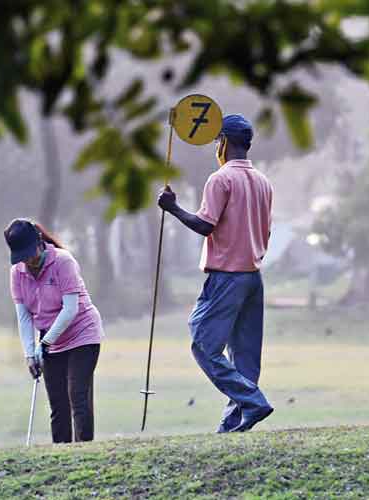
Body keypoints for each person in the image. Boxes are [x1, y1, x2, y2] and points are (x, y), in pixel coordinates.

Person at [157, 114, 274, 433]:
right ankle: (233, 421)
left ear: (225, 142)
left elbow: (205, 224)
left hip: (227, 276)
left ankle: (252, 401)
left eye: (217, 141)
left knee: (202, 342)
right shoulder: (263, 181)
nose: (216, 148)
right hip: (253, 275)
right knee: (245, 355)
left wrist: (173, 208)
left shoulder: (220, 179)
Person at [5, 218, 104, 443]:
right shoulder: (17, 273)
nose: (27, 261)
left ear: (39, 243)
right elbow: (24, 316)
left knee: (77, 396)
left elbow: (70, 310)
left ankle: (84, 453)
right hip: (50, 339)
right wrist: (30, 354)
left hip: (82, 333)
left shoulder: (62, 262)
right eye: (22, 257)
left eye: (30, 253)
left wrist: (44, 344)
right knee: (58, 404)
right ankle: (60, 456)